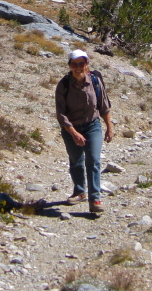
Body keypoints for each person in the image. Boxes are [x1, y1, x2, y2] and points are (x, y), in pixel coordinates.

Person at [55, 49, 114, 213]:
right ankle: (79, 191)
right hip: (71, 128)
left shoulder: (95, 81)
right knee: (76, 161)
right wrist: (74, 133)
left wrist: (110, 127)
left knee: (93, 161)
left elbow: (103, 105)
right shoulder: (63, 85)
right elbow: (60, 113)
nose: (78, 67)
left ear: (87, 64)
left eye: (81, 63)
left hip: (92, 126)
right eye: (75, 64)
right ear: (69, 65)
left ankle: (95, 199)